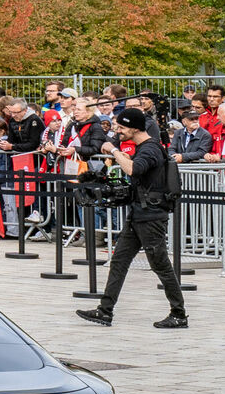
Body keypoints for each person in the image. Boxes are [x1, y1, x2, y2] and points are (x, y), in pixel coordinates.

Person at [78, 107, 187, 330]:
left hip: (151, 216)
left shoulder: (150, 148)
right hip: (138, 213)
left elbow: (134, 170)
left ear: (135, 128)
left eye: (122, 127)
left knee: (160, 264)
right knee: (119, 261)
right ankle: (105, 310)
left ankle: (179, 314)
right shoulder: (144, 148)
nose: (118, 131)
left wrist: (114, 151)